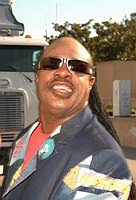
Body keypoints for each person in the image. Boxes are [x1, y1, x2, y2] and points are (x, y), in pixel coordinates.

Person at [1, 37, 132, 200]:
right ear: (38, 76)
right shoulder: (24, 140)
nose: (63, 72)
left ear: (90, 83)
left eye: (78, 67)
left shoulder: (101, 158)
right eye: (51, 64)